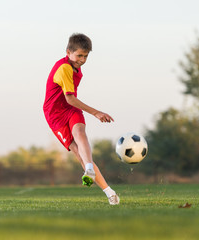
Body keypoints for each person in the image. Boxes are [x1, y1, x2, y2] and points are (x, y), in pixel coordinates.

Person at [43, 33, 120, 205]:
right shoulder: (64, 68)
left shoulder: (75, 66)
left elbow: (70, 101)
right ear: (68, 52)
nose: (82, 60)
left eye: (86, 56)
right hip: (55, 114)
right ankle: (109, 191)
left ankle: (90, 169)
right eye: (79, 55)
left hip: (70, 108)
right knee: (77, 151)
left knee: (80, 131)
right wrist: (96, 112)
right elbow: (70, 97)